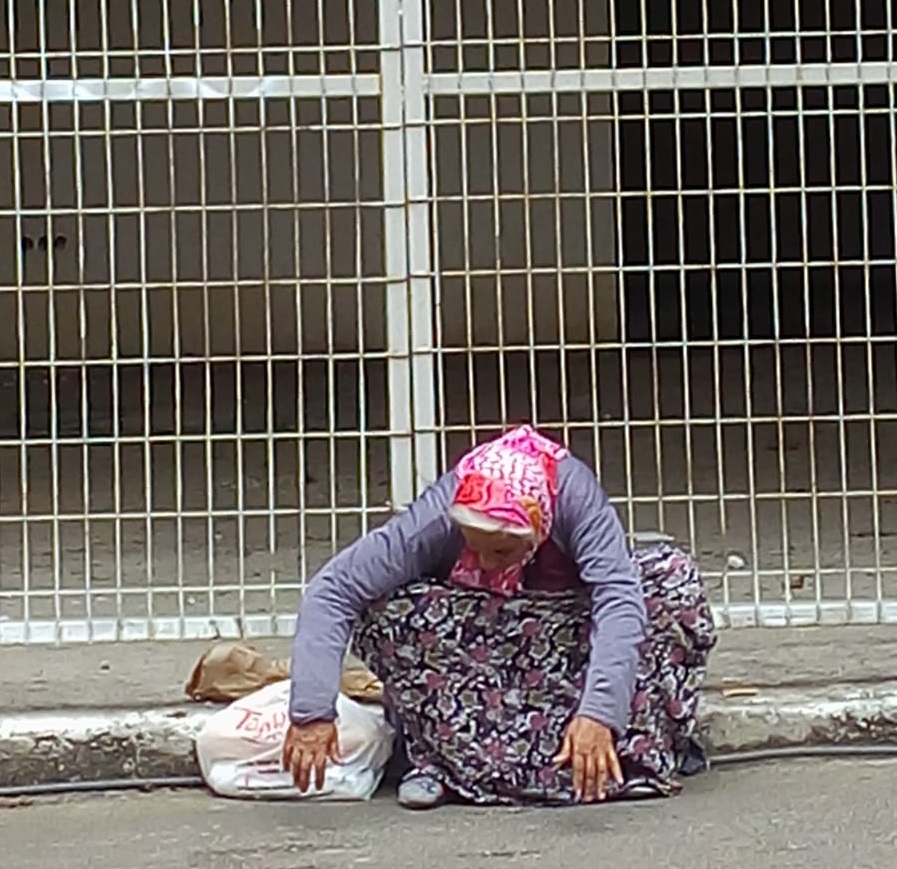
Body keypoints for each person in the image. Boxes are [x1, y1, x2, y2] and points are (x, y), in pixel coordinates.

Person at [283, 425, 717, 809]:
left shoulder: (574, 498)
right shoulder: (438, 517)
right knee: (387, 608)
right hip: (485, 636)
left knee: (671, 581)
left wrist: (601, 712)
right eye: (475, 548)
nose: (487, 563)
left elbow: (618, 597)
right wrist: (312, 714)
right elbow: (334, 589)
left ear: (537, 525)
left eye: (502, 550)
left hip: (568, 630)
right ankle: (442, 764)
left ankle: (625, 756)